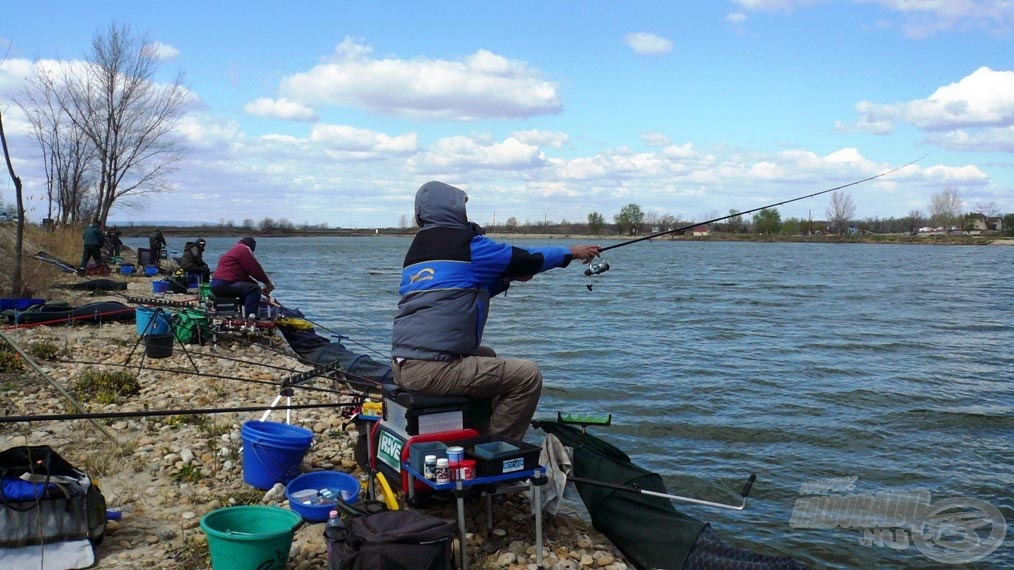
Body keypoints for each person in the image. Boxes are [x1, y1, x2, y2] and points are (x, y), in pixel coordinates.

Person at [390, 181, 601, 440]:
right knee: (527, 376)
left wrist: (505, 278)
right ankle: (494, 446)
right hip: (432, 370)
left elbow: (458, 292)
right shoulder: (465, 245)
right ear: (450, 211)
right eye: (462, 208)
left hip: (403, 365)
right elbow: (526, 258)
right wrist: (571, 253)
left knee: (486, 354)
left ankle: (470, 430)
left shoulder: (418, 251)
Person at [210, 237, 274, 318]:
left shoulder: (234, 250)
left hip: (217, 285)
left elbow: (243, 277)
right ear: (252, 246)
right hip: (224, 284)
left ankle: (243, 315)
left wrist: (259, 287)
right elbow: (254, 268)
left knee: (251, 288)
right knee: (254, 290)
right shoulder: (243, 249)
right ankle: (250, 318)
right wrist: (267, 282)